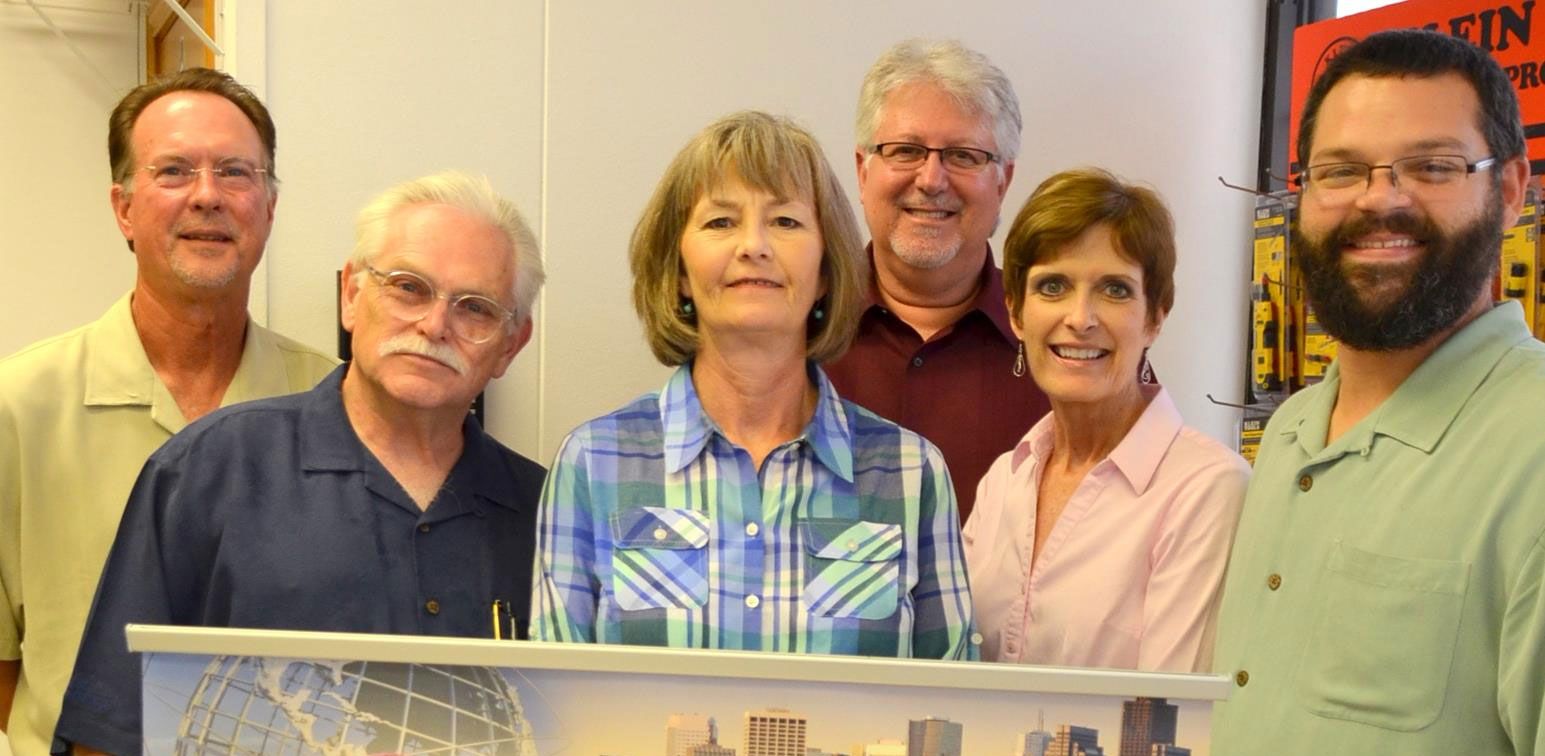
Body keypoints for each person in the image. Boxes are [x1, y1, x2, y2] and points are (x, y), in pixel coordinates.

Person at [52, 171, 548, 755]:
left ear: (511, 345)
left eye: (476, 308)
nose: (434, 325)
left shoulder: (544, 512)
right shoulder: (207, 472)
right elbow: (109, 732)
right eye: (409, 288)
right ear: (352, 296)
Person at [531, 111, 972, 659]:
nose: (753, 245)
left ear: (828, 271)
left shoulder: (910, 473)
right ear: (679, 273)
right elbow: (554, 705)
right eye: (720, 222)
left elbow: (948, 709)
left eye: (785, 222)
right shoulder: (593, 462)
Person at [1212, 30, 1545, 754]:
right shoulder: (1291, 430)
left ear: (1511, 189)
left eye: (1431, 166)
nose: (1378, 199)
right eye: (1340, 171)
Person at [0, 68, 337, 756]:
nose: (208, 196)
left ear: (269, 207)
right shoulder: (18, 405)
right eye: (175, 171)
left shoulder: (334, 405)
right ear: (123, 208)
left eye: (236, 173)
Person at [963, 168, 1248, 672]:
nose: (1080, 318)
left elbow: (1170, 721)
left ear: (1156, 316)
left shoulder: (1208, 490)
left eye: (1114, 290)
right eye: (1053, 286)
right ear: (1016, 312)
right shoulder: (1003, 482)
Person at [824, 38, 1048, 519]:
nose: (931, 179)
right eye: (904, 150)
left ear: (1003, 182)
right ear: (863, 172)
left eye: (964, 156)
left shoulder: (1064, 341)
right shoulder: (796, 329)